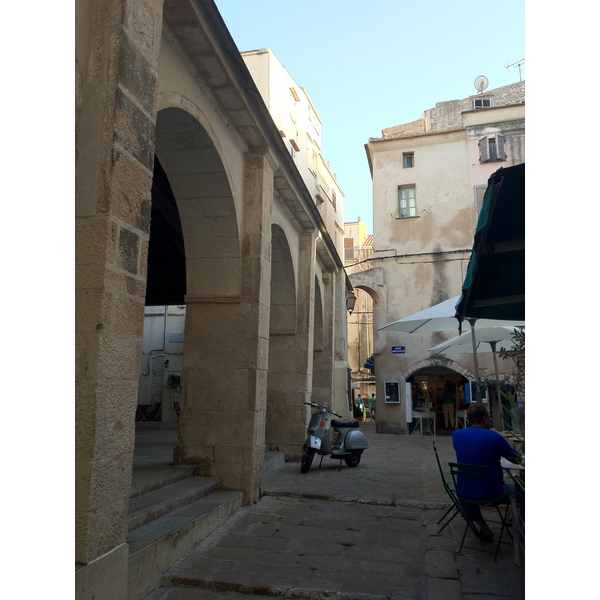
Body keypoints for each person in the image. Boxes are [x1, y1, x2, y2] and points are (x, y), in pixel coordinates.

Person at [452, 403, 521, 541]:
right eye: (489, 417)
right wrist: (511, 447)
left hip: (464, 492)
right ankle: (519, 522)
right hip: (492, 492)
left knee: (465, 495)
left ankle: (485, 529)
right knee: (522, 490)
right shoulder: (493, 437)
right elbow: (516, 460)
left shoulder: (456, 435)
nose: (489, 420)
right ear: (484, 418)